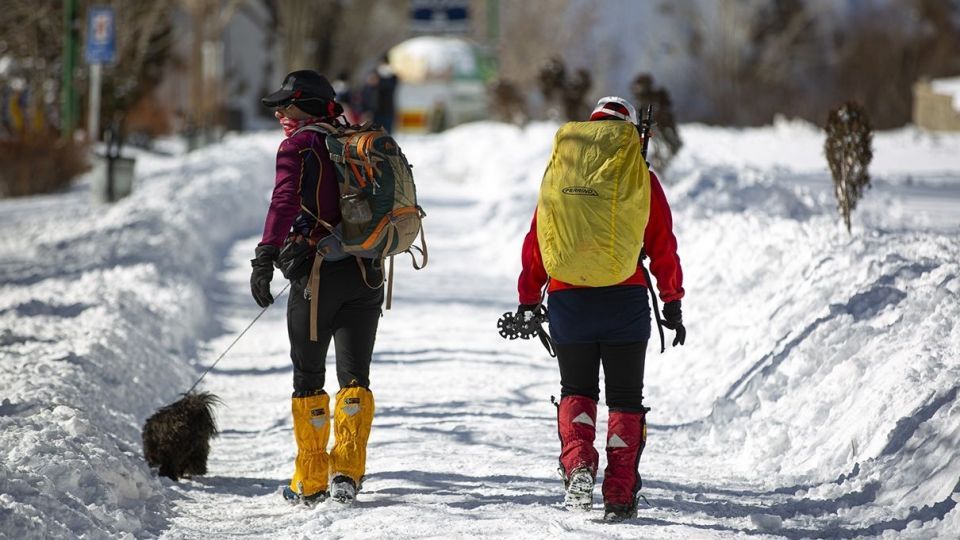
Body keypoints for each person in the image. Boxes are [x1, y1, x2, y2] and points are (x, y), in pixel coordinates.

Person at [516, 96, 685, 520]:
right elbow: (662, 243)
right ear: (628, 132)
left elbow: (539, 239)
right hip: (624, 301)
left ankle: (578, 466)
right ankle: (620, 490)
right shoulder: (640, 178)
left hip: (568, 300)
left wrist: (528, 296)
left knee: (577, 390)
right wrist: (672, 300)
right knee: (626, 397)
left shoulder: (560, 176)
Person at [252, 69, 383, 506]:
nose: (280, 115)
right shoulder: (355, 140)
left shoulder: (299, 146)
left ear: (304, 106)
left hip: (318, 277)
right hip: (366, 273)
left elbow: (284, 200)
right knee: (355, 376)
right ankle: (347, 472)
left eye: (285, 106)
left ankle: (310, 481)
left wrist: (266, 255)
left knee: (309, 376)